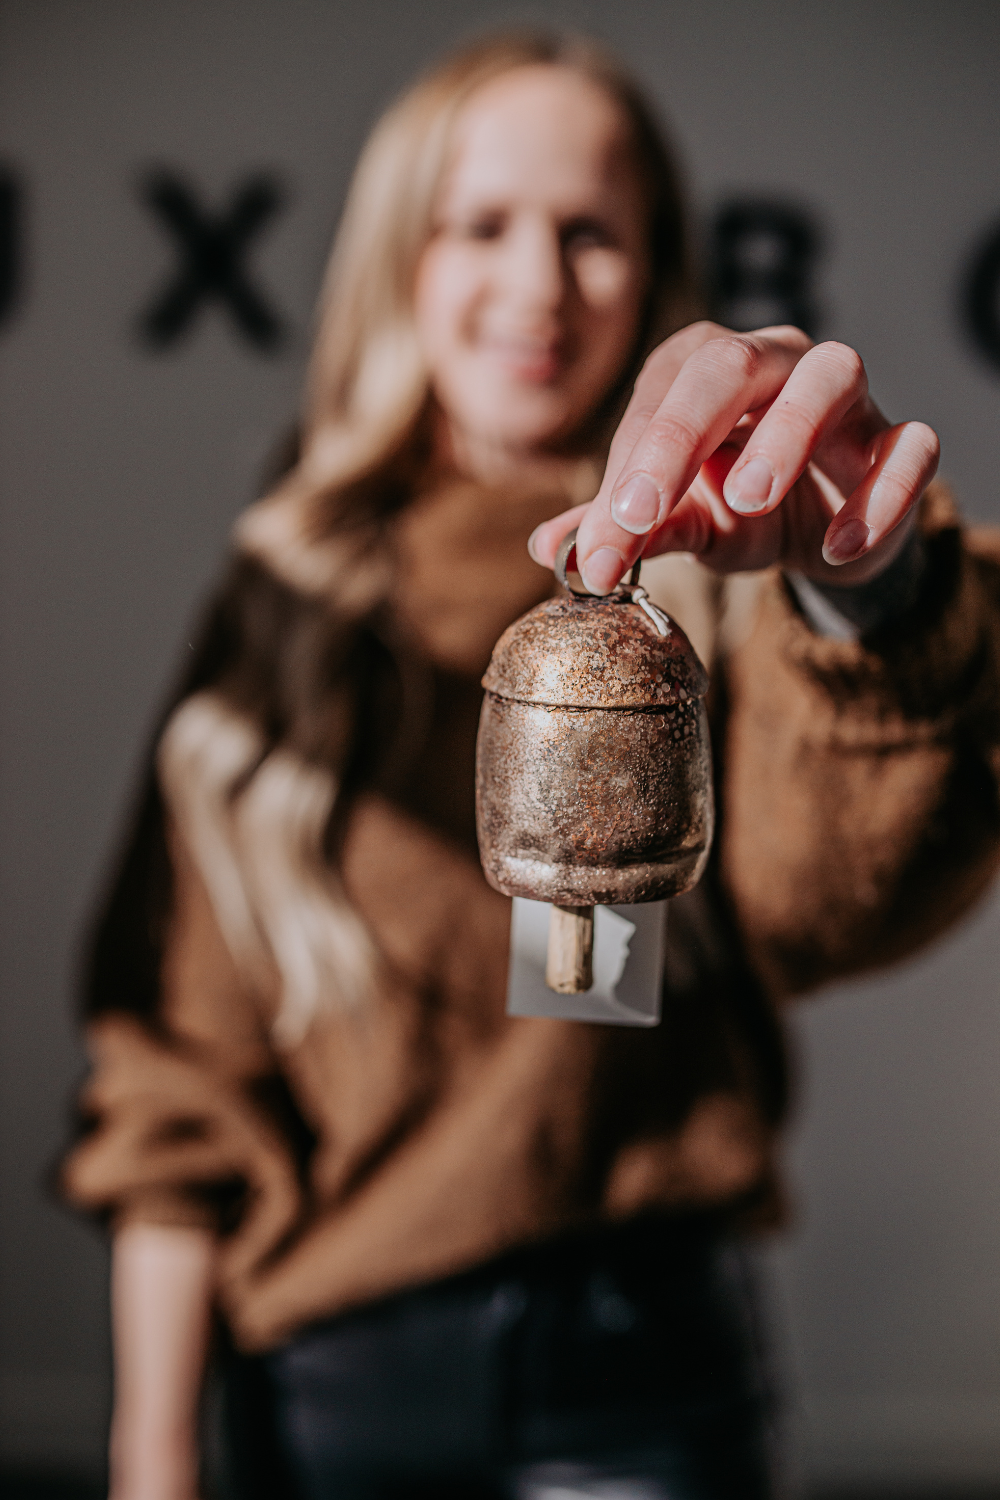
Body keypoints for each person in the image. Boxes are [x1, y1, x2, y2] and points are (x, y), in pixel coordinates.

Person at [60, 29, 1000, 1500]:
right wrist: (150, 1450)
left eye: (590, 233)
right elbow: (176, 1083)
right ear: (402, 263)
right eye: (480, 224)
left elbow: (833, 910)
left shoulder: (724, 585)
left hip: (638, 1387)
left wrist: (865, 597)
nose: (537, 284)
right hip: (328, 1399)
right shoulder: (288, 602)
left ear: (655, 266)